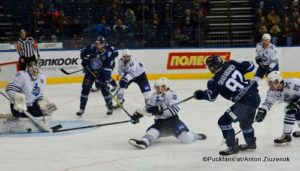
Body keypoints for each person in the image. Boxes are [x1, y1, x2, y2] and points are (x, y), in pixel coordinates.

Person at [193, 55, 260, 155]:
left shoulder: (214, 81)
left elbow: (211, 97)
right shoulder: (231, 64)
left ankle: (232, 146)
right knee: (245, 124)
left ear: (213, 66)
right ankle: (251, 144)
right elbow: (251, 66)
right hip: (255, 97)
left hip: (244, 104)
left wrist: (200, 95)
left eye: (209, 66)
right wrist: (238, 64)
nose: (209, 68)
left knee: (224, 122)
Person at [129, 77, 206, 149]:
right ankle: (144, 142)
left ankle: (196, 136)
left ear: (165, 86)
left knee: (186, 139)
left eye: (160, 87)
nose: (158, 89)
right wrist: (138, 114)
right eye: (156, 87)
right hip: (159, 123)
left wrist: (160, 111)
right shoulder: (153, 96)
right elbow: (148, 108)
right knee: (151, 133)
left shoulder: (171, 94)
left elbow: (175, 109)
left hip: (173, 122)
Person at [77, 36, 119, 116]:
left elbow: (107, 70)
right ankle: (82, 108)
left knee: (105, 89)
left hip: (102, 73)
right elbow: (84, 55)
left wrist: (102, 78)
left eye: (99, 44)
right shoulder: (92, 48)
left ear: (103, 44)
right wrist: (85, 63)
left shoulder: (108, 54)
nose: (98, 45)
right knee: (85, 88)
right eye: (97, 43)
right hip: (90, 72)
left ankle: (110, 107)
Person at [255, 71, 300, 144]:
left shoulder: (293, 84)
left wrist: (298, 104)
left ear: (276, 81)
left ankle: (286, 135)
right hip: (295, 101)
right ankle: (286, 135)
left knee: (293, 111)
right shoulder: (272, 91)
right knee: (290, 110)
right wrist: (263, 111)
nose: (269, 85)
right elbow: (268, 102)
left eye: (270, 82)